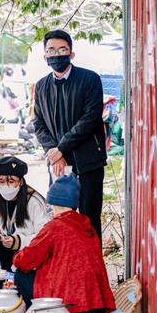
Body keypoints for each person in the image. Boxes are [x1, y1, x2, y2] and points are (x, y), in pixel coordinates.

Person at [33, 29, 107, 240]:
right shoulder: (41, 86)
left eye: (62, 49)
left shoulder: (89, 79)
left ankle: (92, 271)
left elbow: (90, 119)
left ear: (71, 53)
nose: (57, 55)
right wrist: (54, 153)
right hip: (58, 166)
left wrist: (60, 149)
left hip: (88, 163)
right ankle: (67, 271)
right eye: (51, 51)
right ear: (45, 56)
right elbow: (39, 124)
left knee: (89, 220)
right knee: (60, 220)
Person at [13, 173, 116, 313]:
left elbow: (24, 260)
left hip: (68, 309)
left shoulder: (54, 227)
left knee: (21, 275)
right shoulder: (88, 228)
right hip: (96, 306)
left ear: (53, 203)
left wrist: (17, 255)